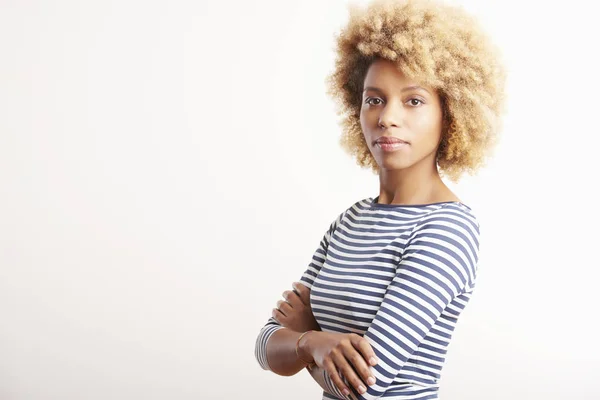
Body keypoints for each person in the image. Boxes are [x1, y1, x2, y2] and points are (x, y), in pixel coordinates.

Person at [254, 0, 506, 398]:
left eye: (413, 100)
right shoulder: (349, 222)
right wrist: (311, 343)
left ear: (451, 114)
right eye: (374, 99)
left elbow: (365, 385)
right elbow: (265, 346)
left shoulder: (448, 230)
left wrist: (304, 334)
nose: (387, 117)